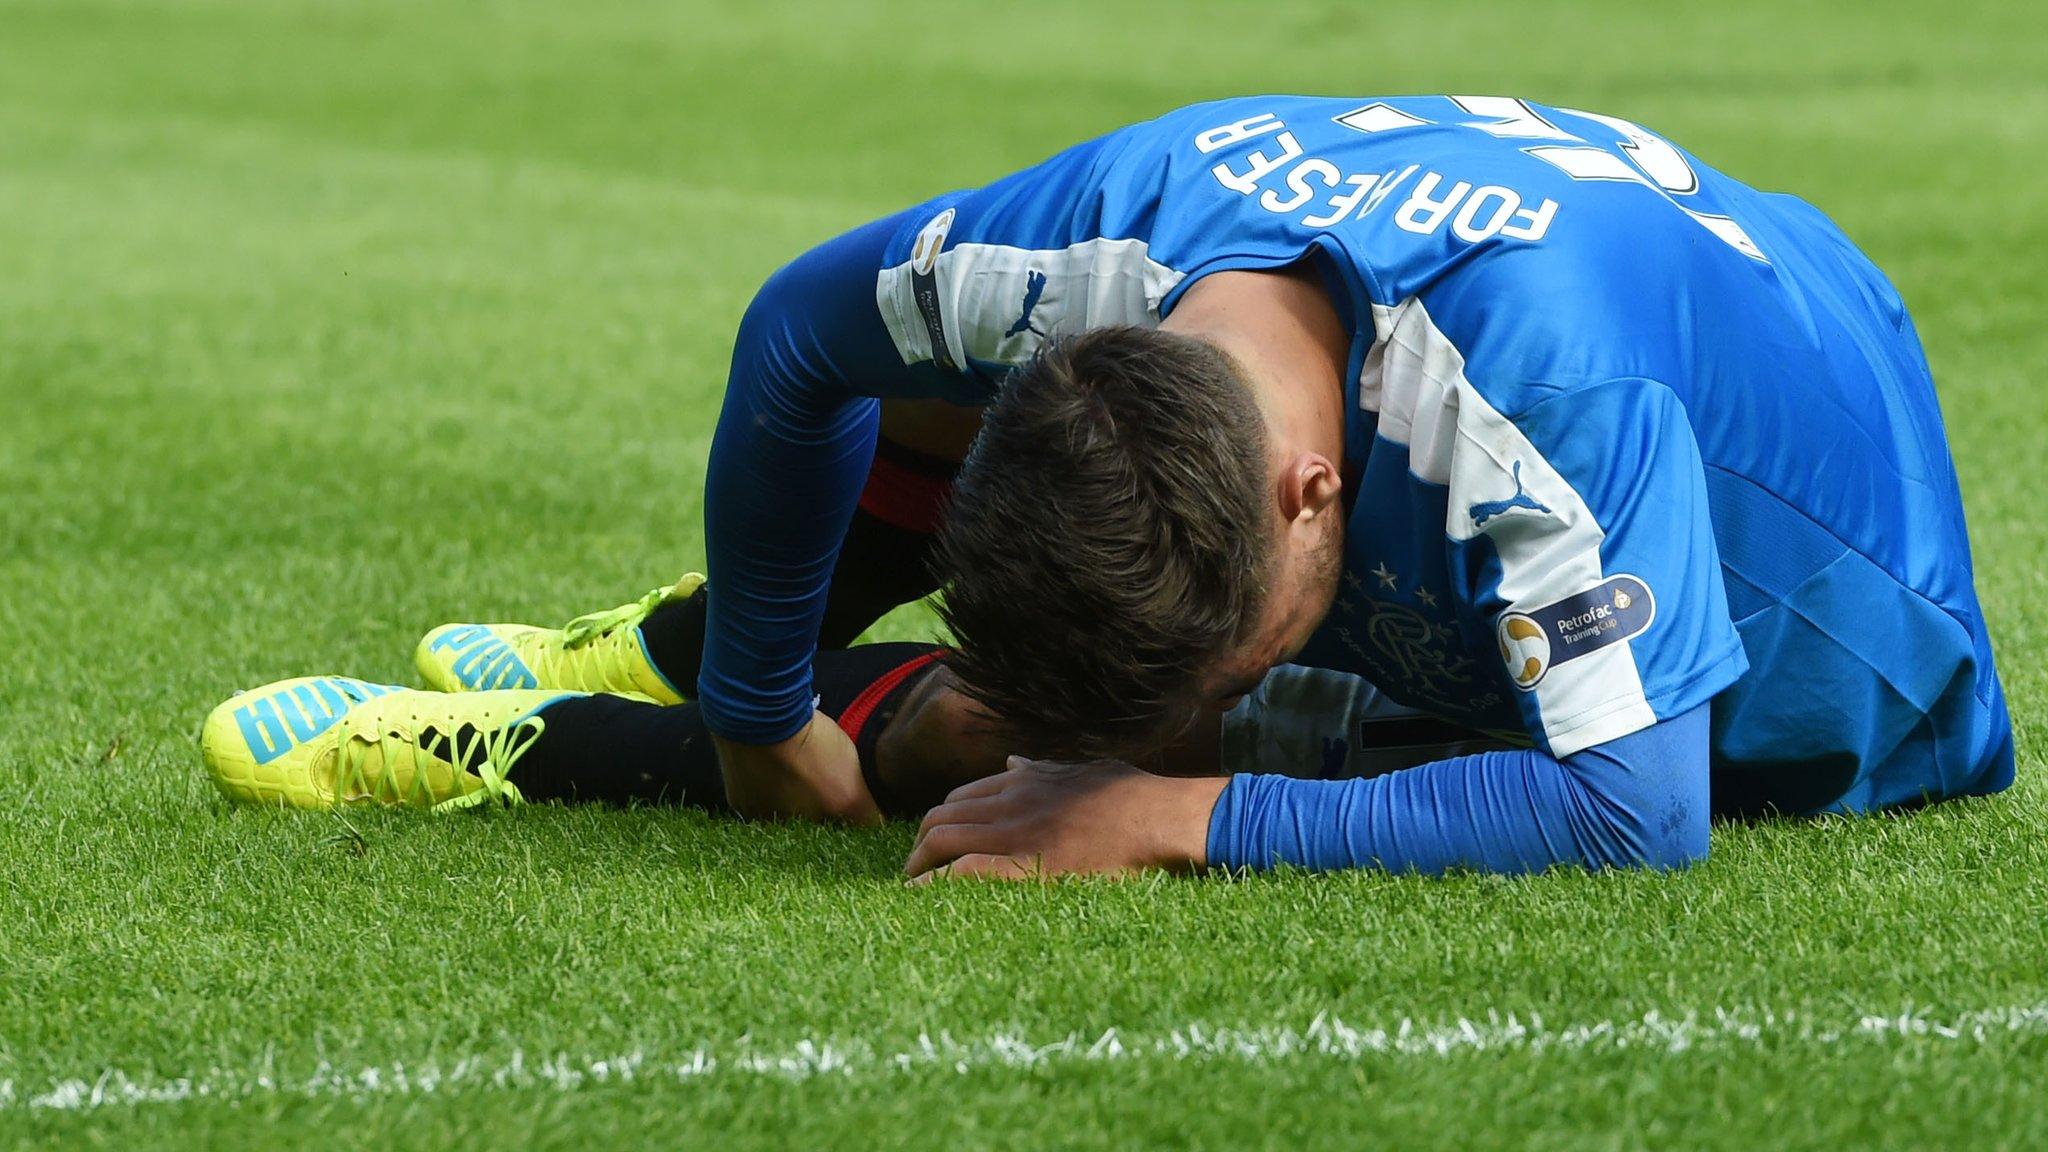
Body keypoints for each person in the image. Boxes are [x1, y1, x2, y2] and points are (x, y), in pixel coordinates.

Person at [201, 94, 2014, 881]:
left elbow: (1640, 814)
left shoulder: (1540, 410)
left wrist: (1165, 812)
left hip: (1835, 636)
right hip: (1596, 317)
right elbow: (796, 342)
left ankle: (563, 743)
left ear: (1323, 497)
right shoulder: (1120, 234)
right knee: (970, 500)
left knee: (1034, 747)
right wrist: (763, 701)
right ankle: (692, 657)